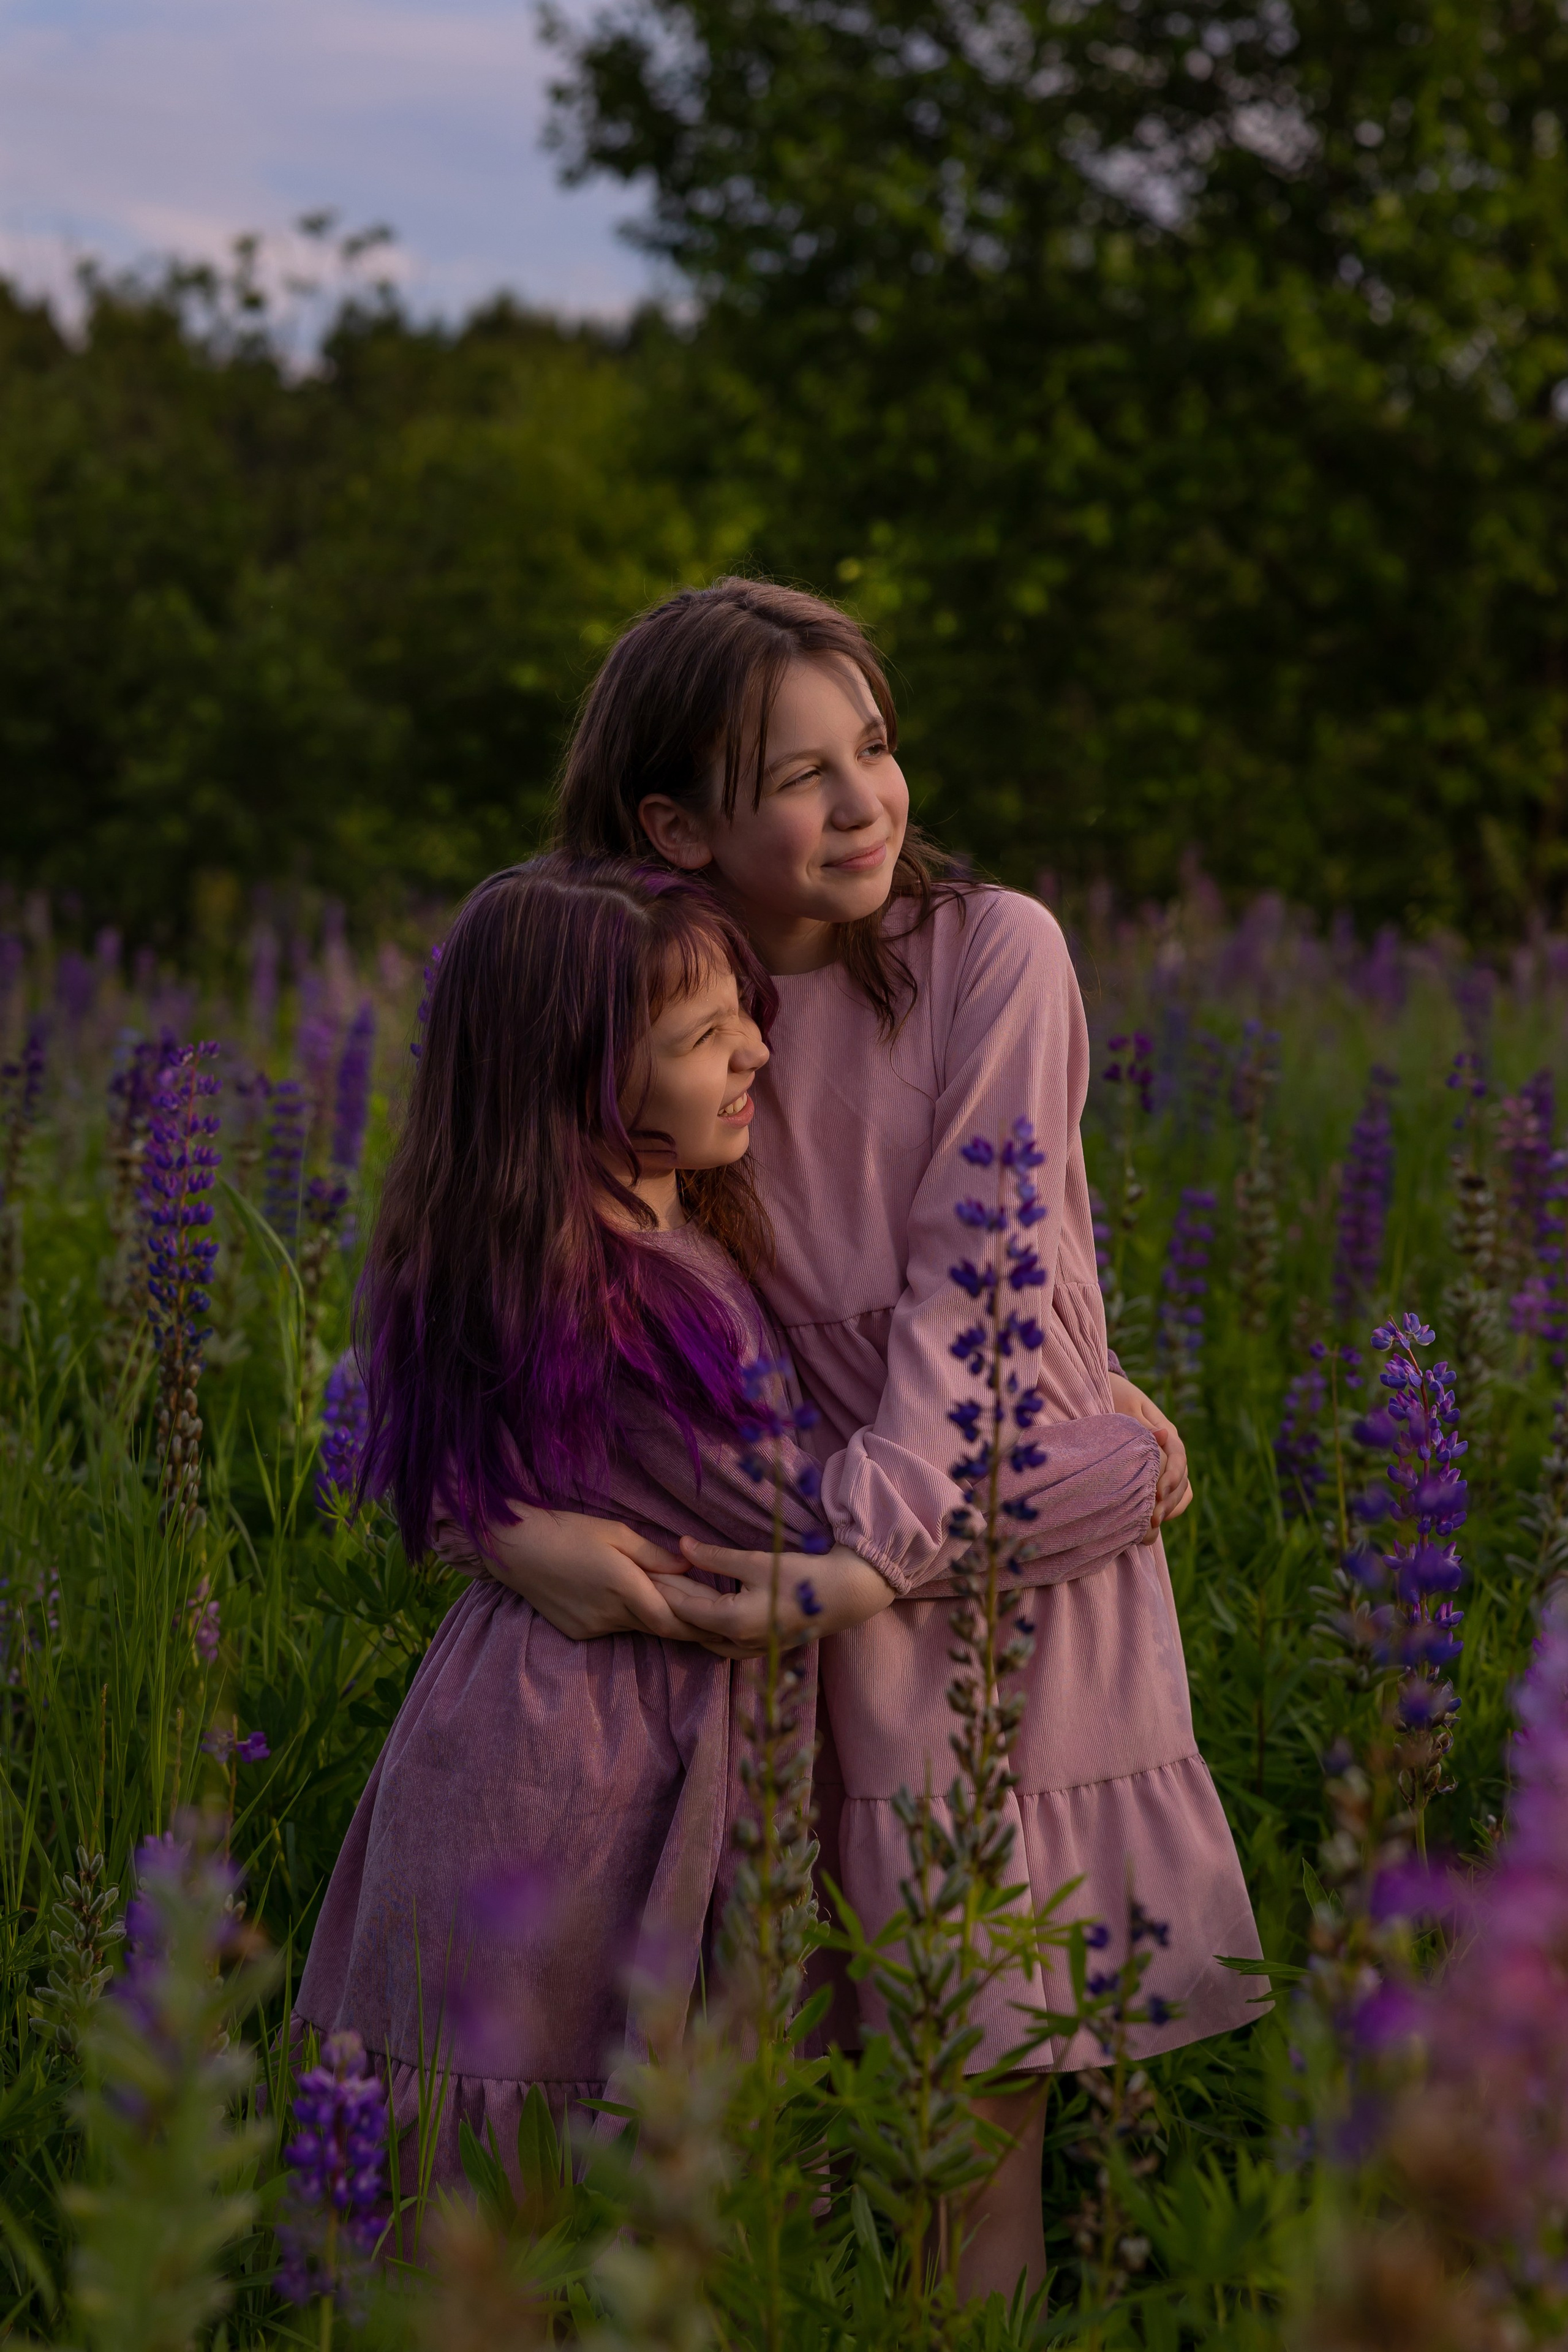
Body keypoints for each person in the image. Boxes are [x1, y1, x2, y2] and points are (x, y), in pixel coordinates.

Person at [472, 578, 1265, 2302]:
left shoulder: (994, 952)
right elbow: (481, 1266)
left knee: (967, 2112)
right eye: (797, 777)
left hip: (969, 1572)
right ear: (675, 823)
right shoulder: (642, 979)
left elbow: (971, 1297)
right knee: (780, 2108)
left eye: (878, 749)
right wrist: (487, 1524)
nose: (864, 803)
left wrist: (861, 1561)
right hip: (771, 1595)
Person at [295, 855, 863, 2173]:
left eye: (748, 1019)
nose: (753, 1060)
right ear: (577, 1075)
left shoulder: (646, 1235)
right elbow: (811, 1518)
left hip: (581, 1745)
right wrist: (1083, 1468)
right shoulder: (609, 1295)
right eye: (701, 1039)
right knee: (532, 2169)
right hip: (563, 1780)